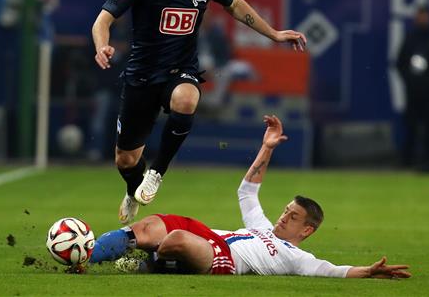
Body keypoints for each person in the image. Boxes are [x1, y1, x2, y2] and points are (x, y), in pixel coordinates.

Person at [92, 0, 307, 225]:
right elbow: (102, 20)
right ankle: (132, 190)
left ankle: (157, 173)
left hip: (181, 71)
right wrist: (102, 47)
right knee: (125, 160)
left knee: (187, 99)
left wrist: (272, 34)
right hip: (141, 76)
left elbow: (235, 5)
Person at [87, 115, 411, 278]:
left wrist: (367, 271)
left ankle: (147, 265)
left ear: (307, 230)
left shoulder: (295, 258)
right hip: (211, 236)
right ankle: (85, 256)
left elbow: (333, 270)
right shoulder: (262, 227)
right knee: (150, 225)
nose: (284, 216)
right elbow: (248, 190)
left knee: (176, 239)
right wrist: (266, 148)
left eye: (293, 216)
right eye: (286, 210)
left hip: (222, 260)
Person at [396, 6, 429, 172]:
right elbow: (400, 64)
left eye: (426, 16)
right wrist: (410, 82)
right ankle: (408, 161)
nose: (423, 19)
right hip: (413, 92)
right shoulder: (410, 39)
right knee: (411, 127)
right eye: (421, 16)